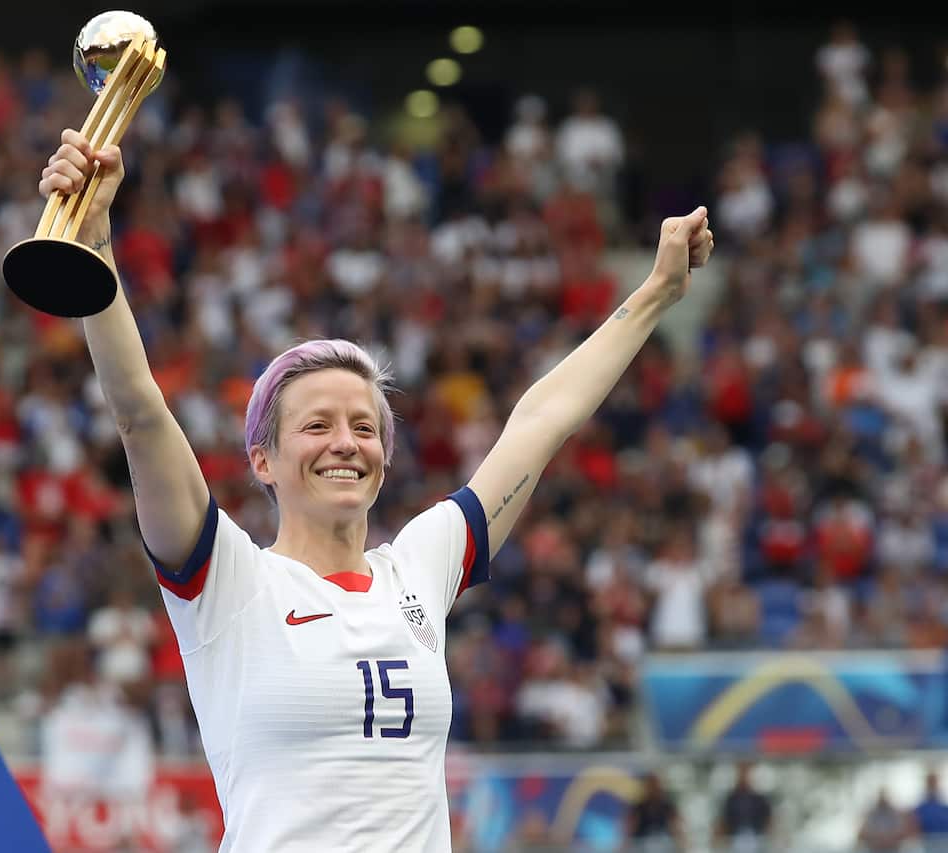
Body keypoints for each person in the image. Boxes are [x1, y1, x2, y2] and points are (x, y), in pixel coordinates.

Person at [35, 127, 714, 852]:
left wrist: (654, 293)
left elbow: (542, 421)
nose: (344, 443)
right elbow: (140, 412)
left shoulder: (417, 568)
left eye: (364, 426)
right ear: (261, 459)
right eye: (317, 424)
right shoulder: (226, 581)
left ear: (384, 458)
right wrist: (96, 239)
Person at [715, 762, 773, 852]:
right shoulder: (731, 799)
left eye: (746, 773)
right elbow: (723, 820)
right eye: (741, 773)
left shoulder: (759, 799)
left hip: (756, 837)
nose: (744, 777)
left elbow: (768, 819)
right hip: (734, 838)